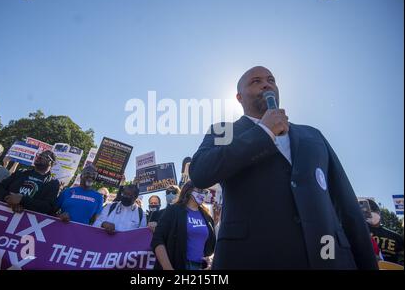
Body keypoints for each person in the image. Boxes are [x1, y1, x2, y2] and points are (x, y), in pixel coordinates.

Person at [189, 66, 378, 270]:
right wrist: (263, 132)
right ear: (239, 97)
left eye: (271, 79)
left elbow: (346, 205)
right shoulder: (223, 131)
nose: (266, 83)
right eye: (256, 81)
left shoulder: (313, 135)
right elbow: (200, 172)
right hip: (252, 259)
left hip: (330, 259)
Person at [151, 181, 215, 270]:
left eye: (205, 191)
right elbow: (157, 240)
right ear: (188, 190)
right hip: (177, 265)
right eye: (200, 190)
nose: (203, 193)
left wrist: (211, 259)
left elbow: (212, 246)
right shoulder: (173, 210)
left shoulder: (207, 216)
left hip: (200, 267)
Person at [0, 150, 60, 215]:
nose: (40, 156)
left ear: (51, 163)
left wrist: (22, 200)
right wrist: (8, 198)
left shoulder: (53, 183)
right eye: (40, 154)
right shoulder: (21, 172)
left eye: (45, 156)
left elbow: (48, 207)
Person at [365, 199, 404, 266]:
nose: (370, 214)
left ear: (379, 213)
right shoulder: (358, 234)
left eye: (373, 210)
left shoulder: (396, 237)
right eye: (366, 212)